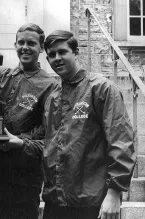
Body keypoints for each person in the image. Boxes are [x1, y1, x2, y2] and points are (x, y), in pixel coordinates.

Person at [41, 30, 136, 219]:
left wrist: (114, 193)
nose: (56, 58)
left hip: (93, 202)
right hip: (56, 201)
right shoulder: (53, 98)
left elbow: (121, 142)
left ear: (76, 52)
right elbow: (52, 148)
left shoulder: (102, 89)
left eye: (62, 52)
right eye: (51, 55)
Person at [0, 23, 58, 219]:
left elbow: (46, 128)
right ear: (14, 45)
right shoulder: (2, 76)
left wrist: (17, 141)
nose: (25, 47)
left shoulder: (49, 85)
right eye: (20, 42)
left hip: (25, 171)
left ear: (41, 48)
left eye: (31, 43)